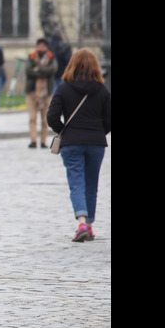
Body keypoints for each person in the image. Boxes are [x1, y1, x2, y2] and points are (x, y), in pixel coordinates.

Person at [47, 49, 111, 242]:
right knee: (92, 185)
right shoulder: (102, 90)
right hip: (96, 143)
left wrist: (63, 130)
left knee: (77, 184)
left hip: (71, 142)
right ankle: (89, 227)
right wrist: (99, 133)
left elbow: (51, 116)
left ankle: (81, 222)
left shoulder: (64, 88)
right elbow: (109, 119)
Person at [25, 38, 57, 148]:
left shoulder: (51, 57)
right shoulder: (31, 56)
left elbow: (52, 70)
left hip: (46, 92)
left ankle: (43, 141)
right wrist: (44, 71)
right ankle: (33, 140)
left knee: (45, 118)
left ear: (46, 47)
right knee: (32, 117)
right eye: (39, 46)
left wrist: (38, 69)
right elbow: (28, 71)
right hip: (32, 91)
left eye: (43, 46)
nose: (41, 48)